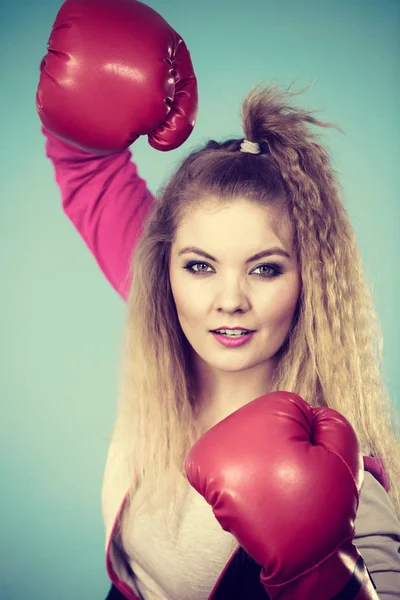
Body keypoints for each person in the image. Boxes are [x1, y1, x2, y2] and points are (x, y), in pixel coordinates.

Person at [37, 1, 400, 598]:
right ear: (167, 269)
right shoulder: (168, 297)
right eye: (201, 265)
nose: (228, 300)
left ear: (308, 280)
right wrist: (95, 83)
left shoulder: (333, 459)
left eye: (265, 268)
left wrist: (337, 583)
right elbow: (85, 163)